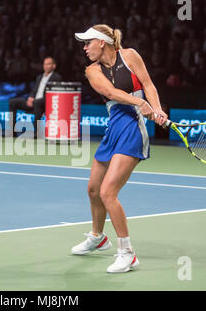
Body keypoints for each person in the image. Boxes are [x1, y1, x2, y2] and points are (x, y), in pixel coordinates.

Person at [71, 25, 167, 273]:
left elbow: (149, 85)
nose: (84, 48)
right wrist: (140, 101)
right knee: (93, 189)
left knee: (107, 192)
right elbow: (111, 92)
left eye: (87, 43)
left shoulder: (130, 55)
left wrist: (156, 109)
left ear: (102, 42)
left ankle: (127, 253)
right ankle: (98, 237)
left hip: (133, 129)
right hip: (113, 126)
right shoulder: (92, 70)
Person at [8, 56, 62, 137]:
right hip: (34, 101)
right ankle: (12, 132)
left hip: (45, 103)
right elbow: (34, 91)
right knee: (12, 102)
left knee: (37, 102)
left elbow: (53, 95)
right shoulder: (39, 77)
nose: (46, 66)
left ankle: (37, 133)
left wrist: (35, 101)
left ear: (54, 66)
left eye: (48, 64)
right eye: (44, 64)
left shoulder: (57, 77)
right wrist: (30, 98)